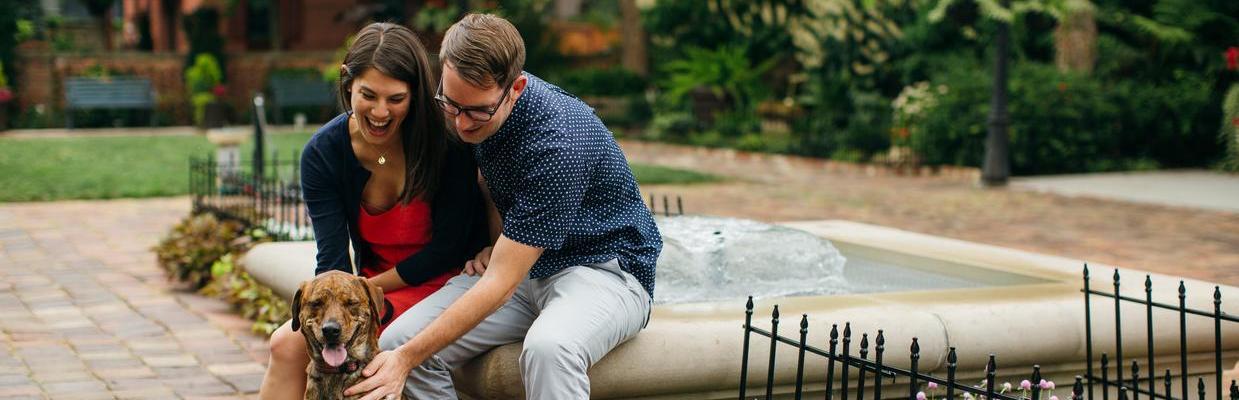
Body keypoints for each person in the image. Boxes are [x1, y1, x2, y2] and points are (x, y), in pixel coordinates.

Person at [344, 13, 662, 400]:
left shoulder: (558, 146)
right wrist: (497, 242)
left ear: (516, 88)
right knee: (399, 340)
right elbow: (486, 179)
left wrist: (406, 360)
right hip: (528, 267)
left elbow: (499, 282)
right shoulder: (478, 108)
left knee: (550, 349)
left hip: (604, 269)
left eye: (476, 111)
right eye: (451, 103)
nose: (461, 124)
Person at [258, 22, 489, 400]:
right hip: (370, 285)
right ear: (348, 83)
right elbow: (331, 258)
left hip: (442, 280)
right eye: (368, 95)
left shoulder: (445, 144)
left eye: (396, 99)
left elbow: (448, 248)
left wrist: (366, 294)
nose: (380, 112)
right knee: (285, 344)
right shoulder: (324, 154)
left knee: (377, 351)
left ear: (415, 95)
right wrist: (351, 296)